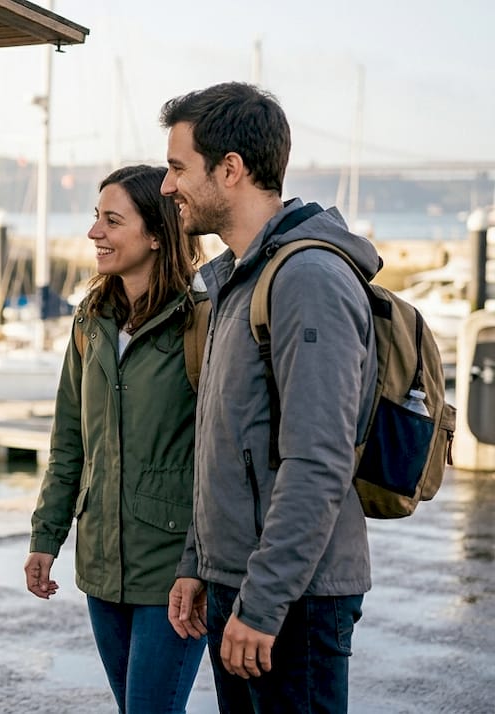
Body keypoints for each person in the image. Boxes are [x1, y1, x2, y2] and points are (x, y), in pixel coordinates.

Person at [160, 82, 379, 714]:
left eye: (178, 168)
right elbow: (224, 441)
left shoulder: (308, 278)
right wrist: (199, 561)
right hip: (243, 583)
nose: (168, 186)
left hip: (293, 600)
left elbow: (318, 460)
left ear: (230, 170)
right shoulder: (237, 279)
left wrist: (261, 604)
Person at [26, 164, 206, 713]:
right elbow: (69, 443)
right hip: (102, 565)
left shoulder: (201, 321)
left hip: (174, 567)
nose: (94, 233)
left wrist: (200, 564)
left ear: (156, 234)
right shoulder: (90, 321)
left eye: (111, 220)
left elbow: (220, 455)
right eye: (94, 218)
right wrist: (45, 536)